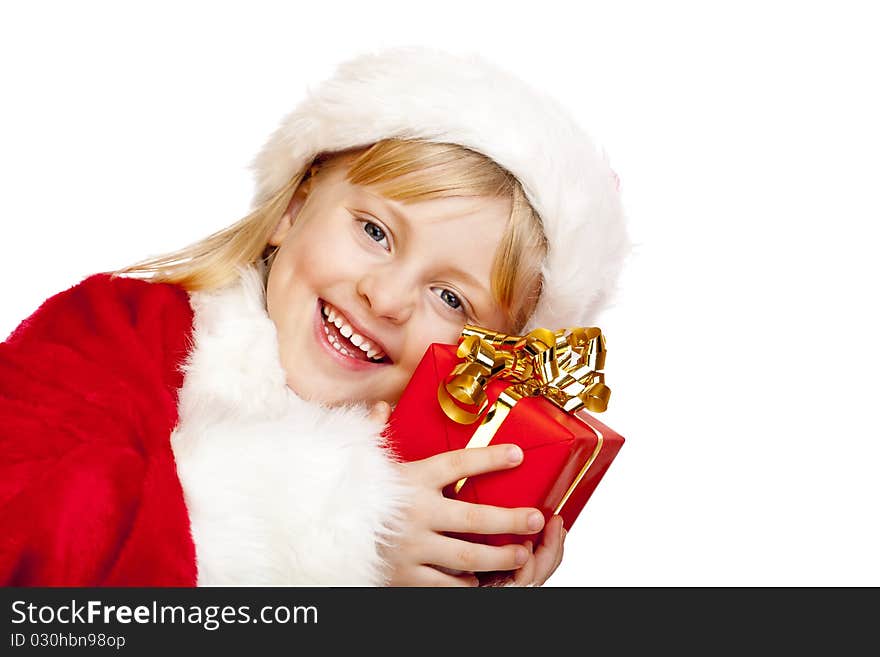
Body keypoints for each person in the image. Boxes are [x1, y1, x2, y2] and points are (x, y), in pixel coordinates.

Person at [0, 46, 629, 586]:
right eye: (376, 232)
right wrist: (340, 524)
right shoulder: (114, 328)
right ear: (292, 210)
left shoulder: (432, 500)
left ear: (488, 357)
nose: (385, 299)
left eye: (451, 298)